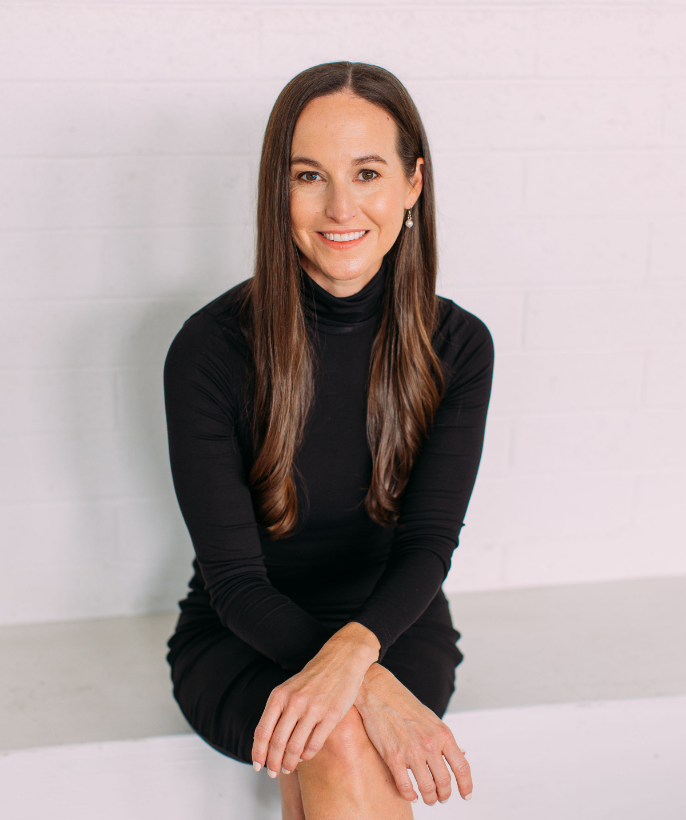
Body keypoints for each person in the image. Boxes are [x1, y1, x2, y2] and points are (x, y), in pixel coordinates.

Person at [163, 61, 494, 819]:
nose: (340, 206)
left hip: (395, 620)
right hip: (239, 631)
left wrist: (361, 653)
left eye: (368, 172)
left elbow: (428, 548)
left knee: (335, 736)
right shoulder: (210, 350)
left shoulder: (459, 346)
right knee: (341, 732)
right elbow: (235, 580)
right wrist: (359, 679)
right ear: (276, 191)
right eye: (309, 175)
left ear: (414, 184)